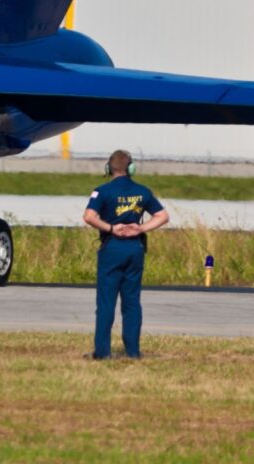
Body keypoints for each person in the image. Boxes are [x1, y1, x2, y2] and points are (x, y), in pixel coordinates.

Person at [83, 149, 169, 359]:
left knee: (106, 302)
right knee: (131, 301)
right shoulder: (142, 192)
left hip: (112, 247)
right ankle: (133, 351)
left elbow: (89, 216)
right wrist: (141, 228)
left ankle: (102, 352)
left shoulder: (101, 191)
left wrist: (110, 228)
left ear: (108, 168)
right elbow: (163, 216)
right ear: (131, 168)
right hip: (134, 248)